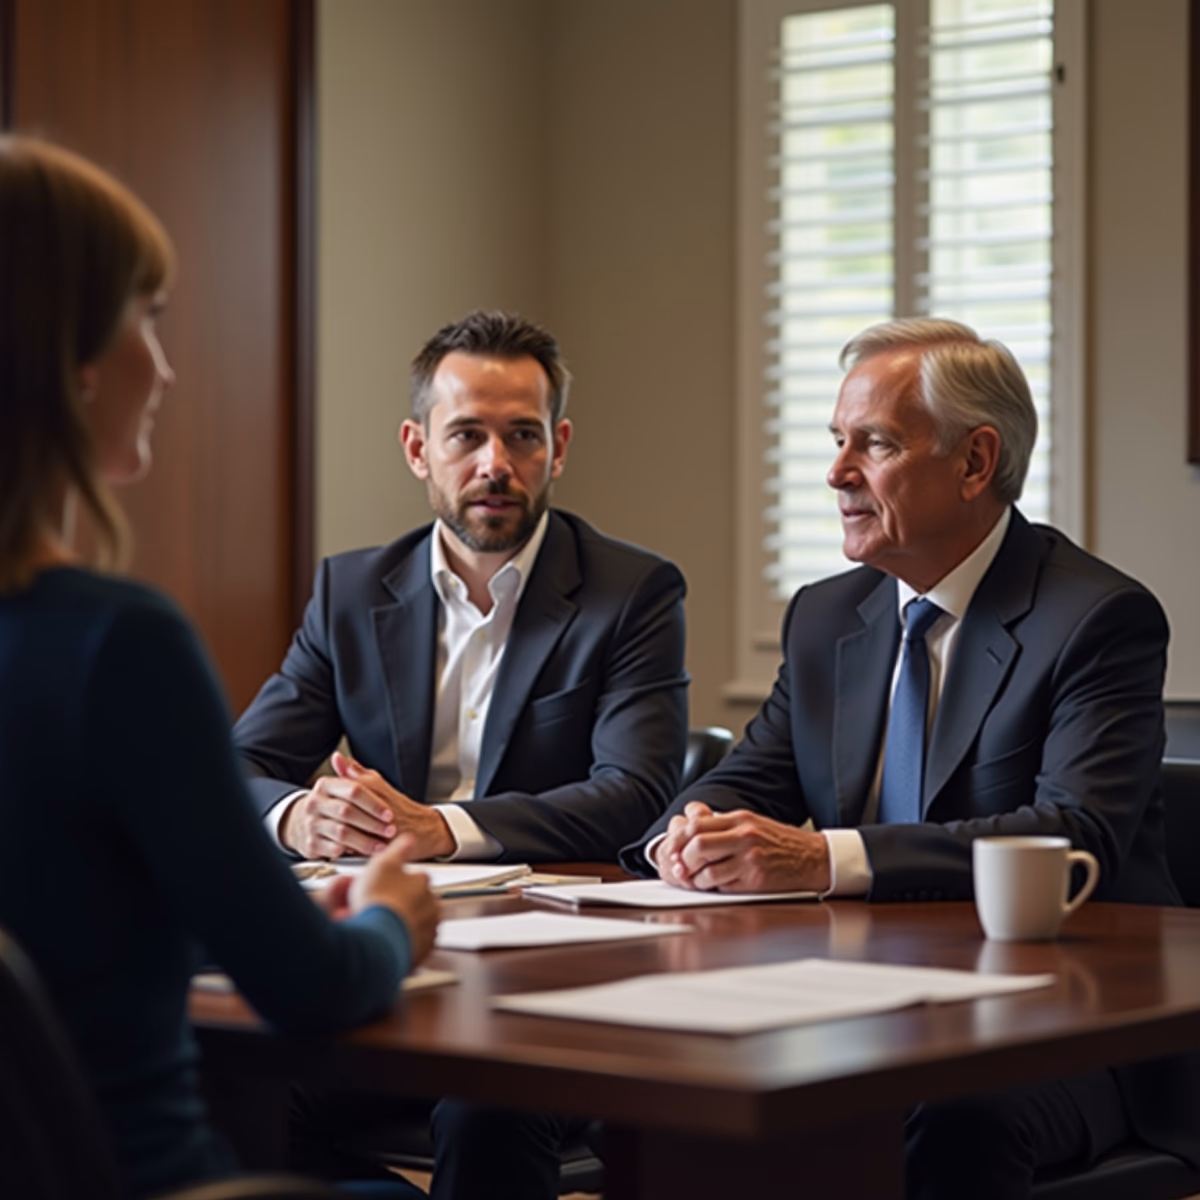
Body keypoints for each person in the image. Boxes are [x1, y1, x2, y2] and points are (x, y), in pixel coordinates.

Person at [622, 317, 1200, 1198]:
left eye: (876, 444)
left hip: (1062, 1024)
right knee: (671, 1081)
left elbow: (1073, 834)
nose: (837, 473)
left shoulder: (1095, 618)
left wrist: (822, 855)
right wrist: (687, 831)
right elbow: (751, 775)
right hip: (861, 1001)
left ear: (975, 463)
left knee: (947, 1111)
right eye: (836, 442)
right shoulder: (827, 616)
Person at [0, 135, 438, 1200]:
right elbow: (311, 987)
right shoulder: (116, 643)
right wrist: (388, 917)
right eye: (148, 316)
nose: (167, 365)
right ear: (71, 356)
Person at [233, 309, 689, 865]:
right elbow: (239, 765)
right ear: (417, 450)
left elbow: (636, 794)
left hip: (550, 910)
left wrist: (441, 828)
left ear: (559, 447)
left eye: (522, 435)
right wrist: (297, 818)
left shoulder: (634, 593)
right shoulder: (350, 594)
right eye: (466, 435)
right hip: (388, 900)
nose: (494, 465)